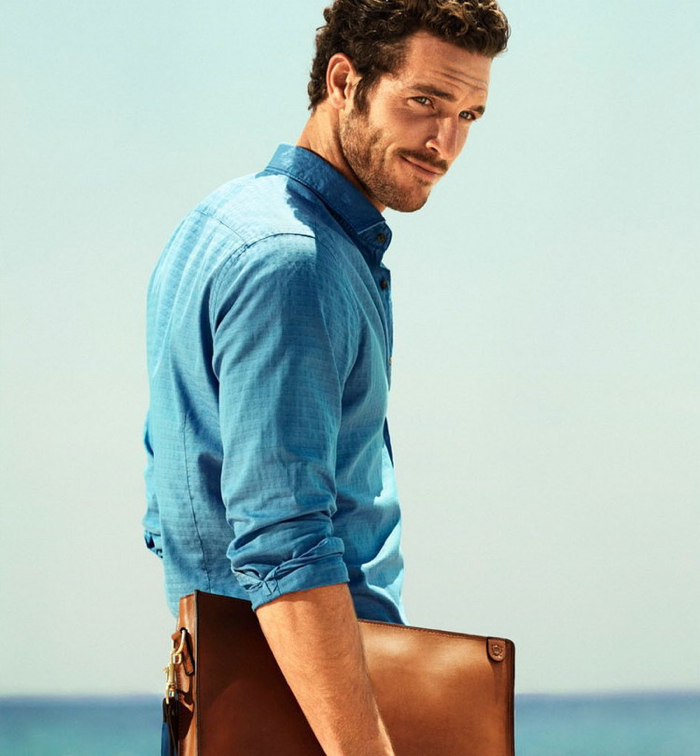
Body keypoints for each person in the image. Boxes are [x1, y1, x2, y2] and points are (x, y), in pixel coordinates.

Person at [142, 1, 510, 753]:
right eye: (425, 101)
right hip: (310, 719)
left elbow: (172, 499)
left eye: (468, 115)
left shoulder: (223, 222)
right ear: (345, 81)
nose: (446, 142)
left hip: (248, 696)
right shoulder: (293, 260)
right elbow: (284, 543)